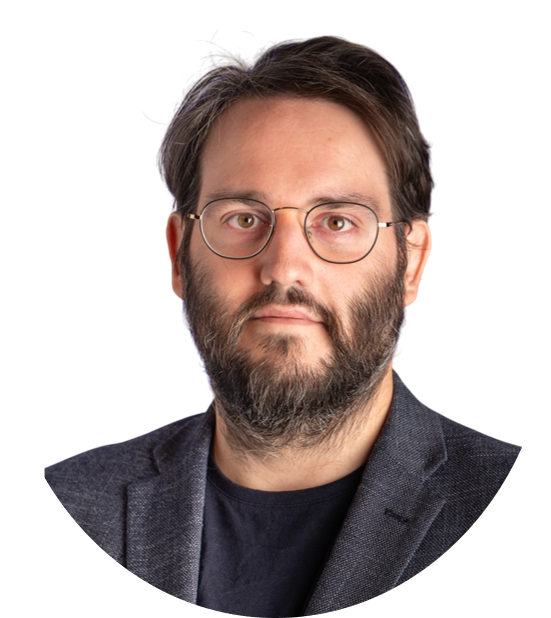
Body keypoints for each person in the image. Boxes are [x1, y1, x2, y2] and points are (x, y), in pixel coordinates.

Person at [44, 35, 522, 615]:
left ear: (411, 263)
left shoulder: (492, 493)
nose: (284, 267)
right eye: (243, 218)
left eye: (337, 221)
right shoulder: (72, 500)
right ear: (177, 255)